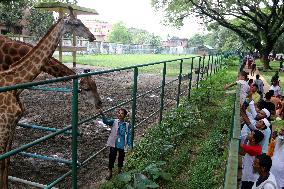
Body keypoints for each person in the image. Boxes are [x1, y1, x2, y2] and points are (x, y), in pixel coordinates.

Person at [99, 108, 133, 180]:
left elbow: (129, 136)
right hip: (114, 143)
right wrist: (102, 114)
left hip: (122, 145)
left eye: (122, 113)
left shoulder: (127, 125)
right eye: (119, 113)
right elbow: (106, 122)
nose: (120, 114)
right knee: (111, 158)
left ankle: (119, 171)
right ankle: (110, 172)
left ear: (125, 116)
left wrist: (130, 146)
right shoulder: (114, 121)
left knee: (121, 158)